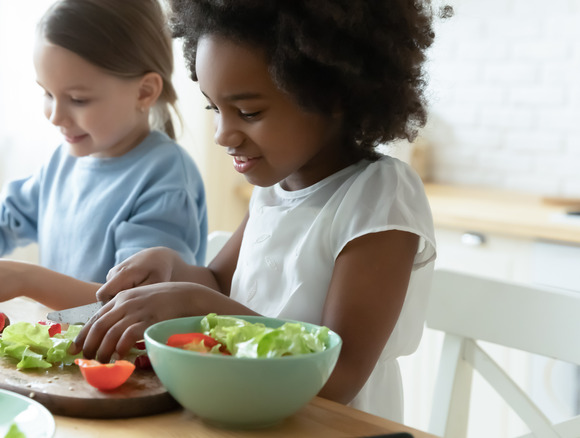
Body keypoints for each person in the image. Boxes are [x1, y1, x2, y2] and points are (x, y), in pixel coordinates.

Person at [71, 0, 447, 423]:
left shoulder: (378, 195)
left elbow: (339, 376)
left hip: (331, 426)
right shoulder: (274, 187)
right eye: (215, 109)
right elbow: (217, 281)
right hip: (249, 414)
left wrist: (197, 303)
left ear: (333, 96)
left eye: (249, 112)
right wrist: (173, 268)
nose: (222, 134)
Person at [0, 0, 207, 313]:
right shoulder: (64, 160)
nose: (55, 116)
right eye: (47, 93)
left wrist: (25, 280)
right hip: (63, 352)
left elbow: (137, 306)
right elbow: (5, 223)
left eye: (77, 99)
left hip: (123, 360)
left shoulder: (165, 178)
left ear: (144, 92)